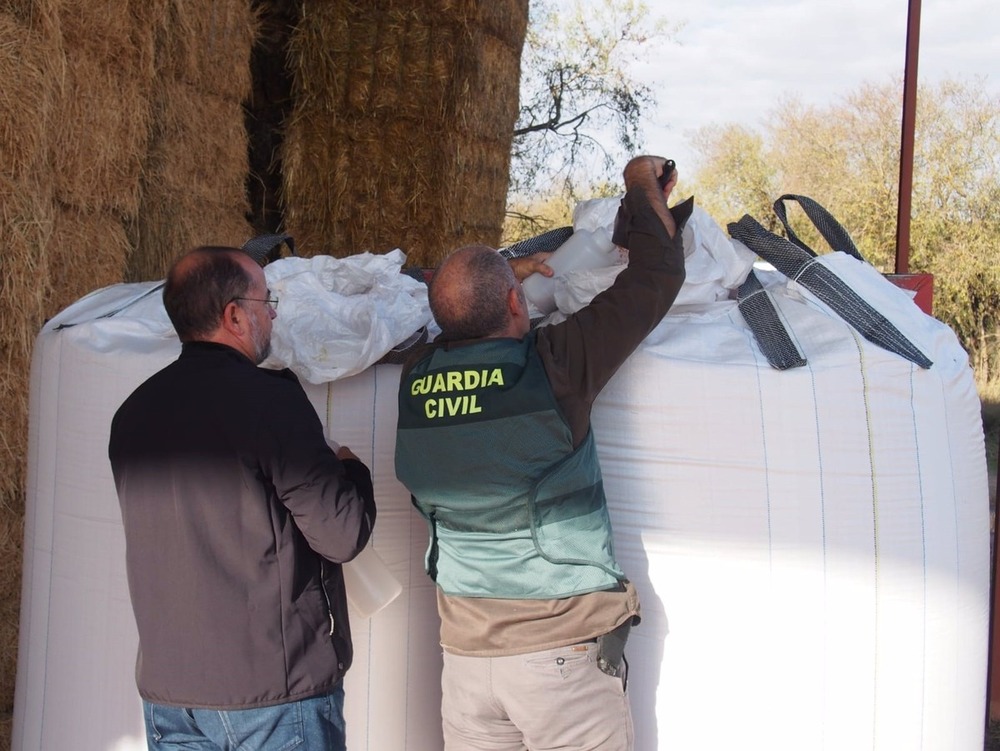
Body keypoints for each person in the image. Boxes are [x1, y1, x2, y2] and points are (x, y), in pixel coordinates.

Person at [394, 154, 693, 750]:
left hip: (467, 661)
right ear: (515, 303)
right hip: (557, 658)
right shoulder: (552, 367)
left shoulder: (415, 381)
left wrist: (502, 273)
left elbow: (453, 303)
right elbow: (657, 273)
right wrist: (639, 181)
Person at [108, 246, 377, 751]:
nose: (272, 312)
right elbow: (341, 534)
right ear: (234, 315)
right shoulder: (269, 402)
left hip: (171, 695)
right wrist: (350, 470)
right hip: (272, 694)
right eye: (266, 299)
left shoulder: (131, 415)